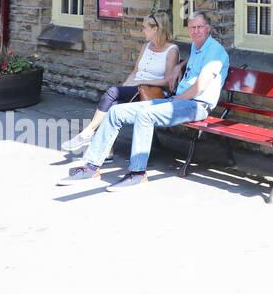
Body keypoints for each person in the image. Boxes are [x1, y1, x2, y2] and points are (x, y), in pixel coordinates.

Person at [57, 11, 229, 191]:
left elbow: (199, 87)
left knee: (145, 115)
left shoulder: (216, 52)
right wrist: (180, 65)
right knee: (116, 111)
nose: (196, 31)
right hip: (178, 101)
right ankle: (91, 167)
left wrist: (172, 101)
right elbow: (194, 58)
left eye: (200, 27)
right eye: (192, 27)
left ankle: (137, 173)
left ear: (208, 28)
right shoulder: (197, 47)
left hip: (195, 105)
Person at [61, 11, 180, 153]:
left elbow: (168, 82)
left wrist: (142, 81)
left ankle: (88, 132)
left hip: (153, 94)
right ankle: (108, 150)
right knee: (114, 105)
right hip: (136, 90)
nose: (142, 30)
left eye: (145, 27)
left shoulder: (172, 50)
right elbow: (135, 72)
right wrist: (123, 88)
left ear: (155, 29)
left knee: (112, 92)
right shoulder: (146, 46)